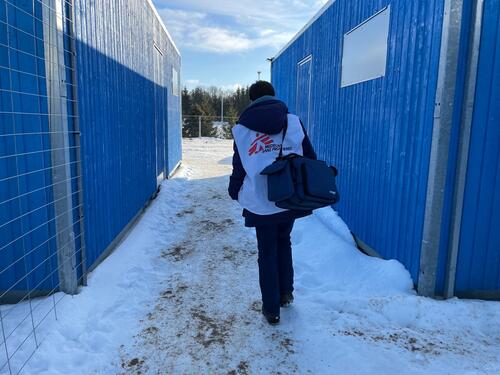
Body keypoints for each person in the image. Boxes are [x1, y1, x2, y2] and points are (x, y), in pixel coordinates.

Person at [228, 81, 317, 325]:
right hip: (288, 196)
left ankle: (271, 309)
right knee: (283, 242)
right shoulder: (293, 122)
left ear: (251, 99)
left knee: (266, 250)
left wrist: (234, 191)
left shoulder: (242, 129)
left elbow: (239, 166)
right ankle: (286, 294)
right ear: (273, 96)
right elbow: (309, 157)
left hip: (259, 198)